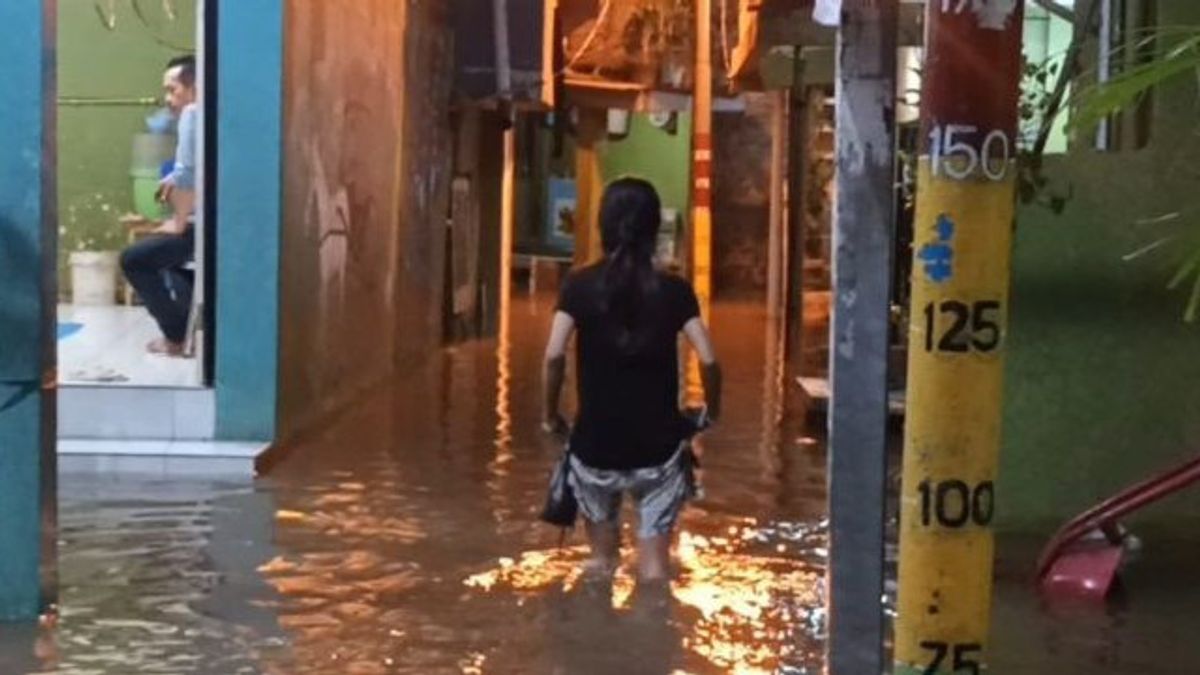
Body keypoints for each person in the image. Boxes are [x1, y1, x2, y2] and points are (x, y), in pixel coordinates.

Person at [542, 177, 723, 582]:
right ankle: (653, 638)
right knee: (656, 571)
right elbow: (708, 359)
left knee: (600, 566)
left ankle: (596, 636)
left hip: (595, 447)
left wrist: (550, 416)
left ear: (603, 226)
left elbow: (554, 355)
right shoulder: (675, 291)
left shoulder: (579, 286)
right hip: (657, 450)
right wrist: (712, 410)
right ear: (653, 228)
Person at [120, 55, 199, 357]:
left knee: (134, 260)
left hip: (197, 226)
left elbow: (188, 176)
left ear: (194, 88)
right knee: (178, 262)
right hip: (209, 223)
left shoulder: (193, 114)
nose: (168, 99)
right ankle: (182, 333)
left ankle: (176, 337)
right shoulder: (213, 116)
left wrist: (178, 222)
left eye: (173, 89)